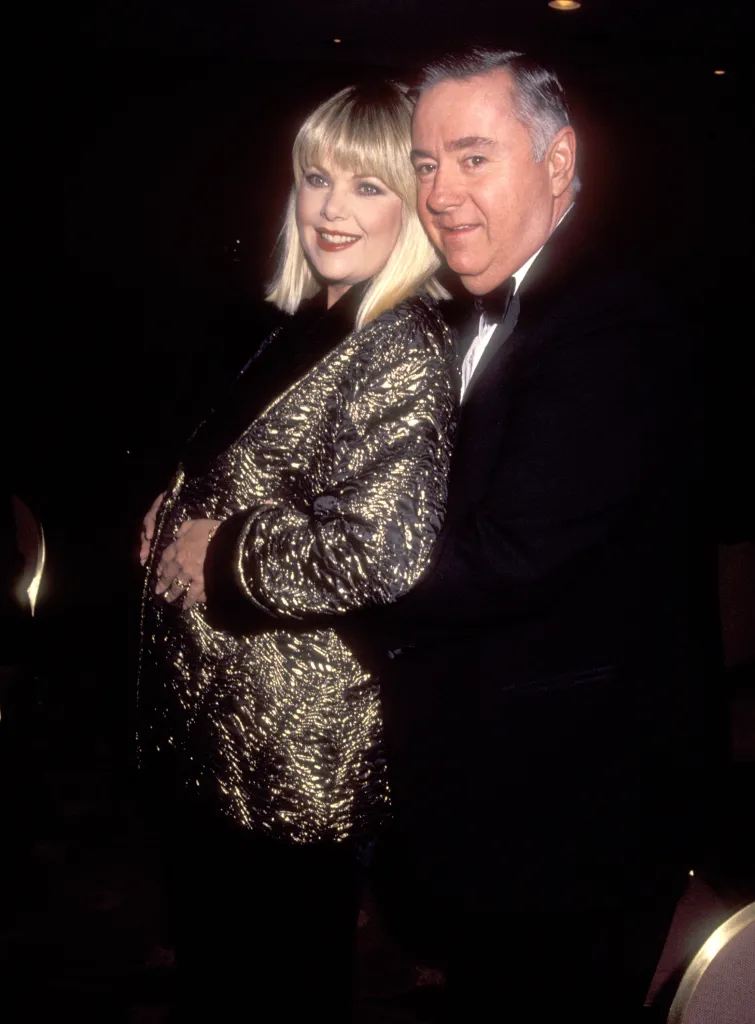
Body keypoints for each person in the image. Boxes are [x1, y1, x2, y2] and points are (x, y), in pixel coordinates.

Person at [359, 49, 702, 1021]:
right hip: (495, 793)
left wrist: (258, 563)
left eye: (472, 157)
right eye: (425, 164)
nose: (439, 193)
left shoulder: (613, 319)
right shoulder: (461, 315)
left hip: (571, 809)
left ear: (557, 162)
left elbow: (504, 556)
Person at [137, 80, 457, 1022]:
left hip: (294, 742)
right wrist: (175, 504)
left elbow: (379, 552)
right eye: (317, 178)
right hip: (223, 717)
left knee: (279, 980)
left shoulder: (401, 341)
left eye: (368, 185)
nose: (330, 207)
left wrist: (220, 550)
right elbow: (257, 464)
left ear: (413, 203)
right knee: (222, 966)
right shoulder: (316, 314)